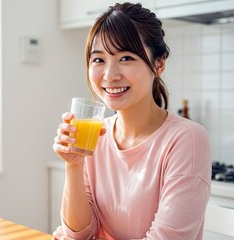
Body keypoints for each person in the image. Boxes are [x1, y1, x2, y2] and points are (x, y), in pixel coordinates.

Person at [52, 2, 211, 240]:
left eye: (126, 57)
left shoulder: (186, 139)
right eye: (98, 60)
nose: (110, 75)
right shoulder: (95, 135)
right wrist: (74, 164)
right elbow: (79, 234)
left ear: (158, 64)